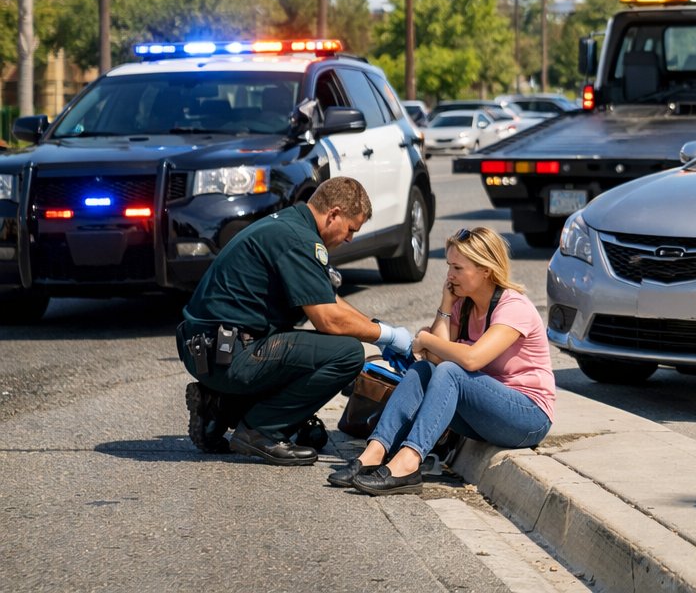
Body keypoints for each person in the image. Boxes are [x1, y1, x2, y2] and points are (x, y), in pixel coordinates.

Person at [177, 176, 417, 466]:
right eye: (351, 229)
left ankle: (220, 408)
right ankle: (260, 430)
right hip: (229, 355)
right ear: (334, 214)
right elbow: (328, 320)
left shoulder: (290, 225)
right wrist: (386, 335)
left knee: (320, 349)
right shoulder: (299, 240)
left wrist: (377, 327)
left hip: (212, 350)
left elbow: (329, 299)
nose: (351, 238)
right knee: (347, 354)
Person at [332, 226, 555, 495]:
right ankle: (374, 452)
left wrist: (425, 339)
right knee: (425, 369)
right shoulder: (465, 303)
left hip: (527, 416)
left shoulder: (513, 307)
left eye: (458, 269)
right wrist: (446, 304)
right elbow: (436, 359)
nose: (450, 275)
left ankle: (409, 462)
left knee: (451, 371)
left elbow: (471, 360)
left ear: (486, 269)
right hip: (483, 412)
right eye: (449, 266)